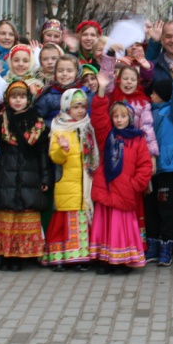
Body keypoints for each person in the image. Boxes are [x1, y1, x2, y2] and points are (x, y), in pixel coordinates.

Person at [0, 81, 52, 271]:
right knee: (6, 217)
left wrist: (45, 178)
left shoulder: (37, 123)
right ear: (7, 99)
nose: (18, 101)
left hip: (30, 176)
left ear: (28, 99)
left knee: (24, 215)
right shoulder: (0, 121)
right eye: (14, 97)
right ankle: (5, 256)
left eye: (22, 97)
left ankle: (20, 256)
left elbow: (42, 154)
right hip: (4, 176)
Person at [88, 71, 153, 273]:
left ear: (130, 118)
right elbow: (98, 117)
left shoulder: (138, 138)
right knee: (105, 226)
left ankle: (123, 260)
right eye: (115, 116)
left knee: (121, 227)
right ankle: (104, 260)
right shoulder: (107, 135)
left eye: (123, 116)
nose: (119, 119)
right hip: (107, 188)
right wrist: (101, 90)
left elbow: (145, 165)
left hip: (125, 191)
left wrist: (135, 185)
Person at [45, 89, 99, 271]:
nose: (80, 110)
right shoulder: (59, 128)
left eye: (83, 106)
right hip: (66, 185)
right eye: (76, 107)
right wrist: (63, 149)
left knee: (80, 223)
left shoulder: (87, 127)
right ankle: (59, 258)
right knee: (62, 224)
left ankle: (80, 258)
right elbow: (55, 157)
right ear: (67, 107)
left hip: (84, 186)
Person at [144, 60, 173, 267]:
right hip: (149, 168)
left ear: (162, 94)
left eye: (154, 93)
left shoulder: (172, 113)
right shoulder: (147, 111)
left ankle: (167, 245)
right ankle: (152, 244)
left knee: (167, 208)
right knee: (151, 208)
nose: (151, 96)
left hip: (168, 168)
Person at [101, 47, 158, 157]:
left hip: (134, 149)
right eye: (125, 79)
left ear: (137, 82)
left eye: (133, 79)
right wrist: (109, 55)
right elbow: (105, 79)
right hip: (114, 146)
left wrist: (151, 154)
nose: (129, 82)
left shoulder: (143, 103)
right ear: (119, 80)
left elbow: (147, 128)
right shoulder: (112, 96)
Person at [36, 55, 81, 125]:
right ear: (55, 72)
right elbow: (38, 119)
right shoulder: (48, 95)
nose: (64, 74)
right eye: (60, 71)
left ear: (77, 72)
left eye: (69, 71)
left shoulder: (84, 92)